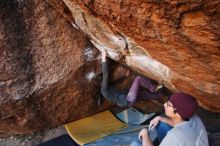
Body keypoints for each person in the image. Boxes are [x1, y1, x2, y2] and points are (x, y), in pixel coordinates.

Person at [131, 92, 209, 146]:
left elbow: (177, 136)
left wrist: (145, 134)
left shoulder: (176, 136)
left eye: (169, 104)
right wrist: (160, 118)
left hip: (179, 139)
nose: (165, 104)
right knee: (161, 124)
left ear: (178, 113)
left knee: (135, 144)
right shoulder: (195, 119)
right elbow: (180, 125)